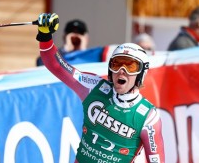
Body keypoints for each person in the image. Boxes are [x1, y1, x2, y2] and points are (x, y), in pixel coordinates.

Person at [35, 13, 165, 162]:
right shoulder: (93, 87)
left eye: (130, 66)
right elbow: (56, 66)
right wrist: (45, 36)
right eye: (116, 64)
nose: (122, 71)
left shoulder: (148, 117)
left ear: (141, 73)